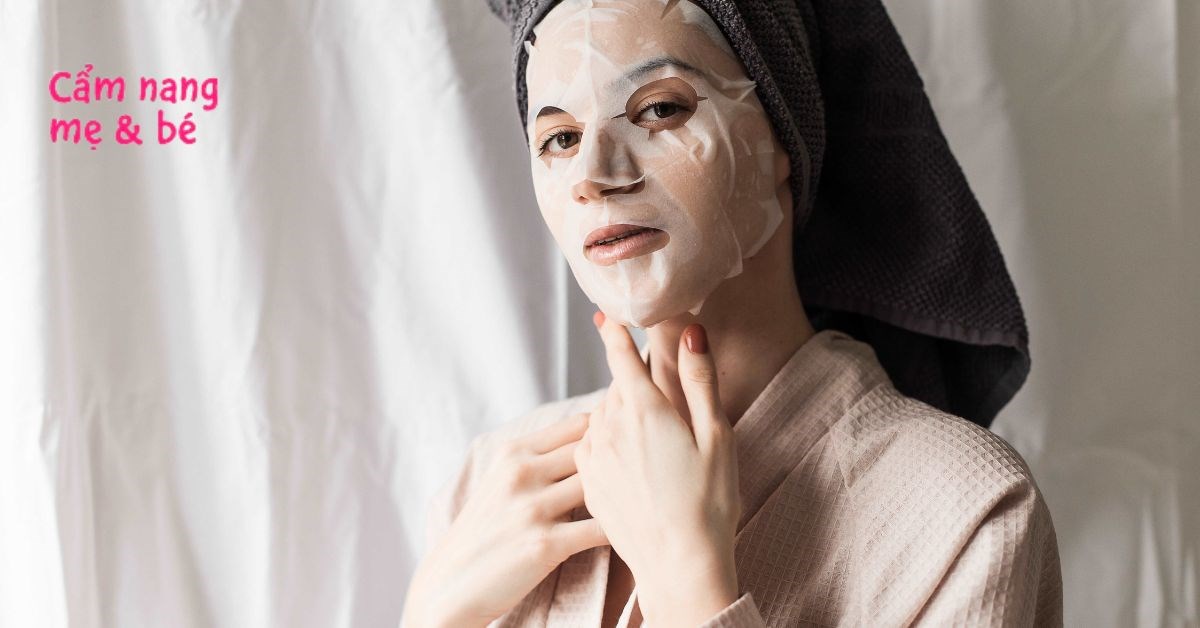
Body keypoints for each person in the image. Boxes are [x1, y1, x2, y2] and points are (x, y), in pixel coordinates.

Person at [402, 0, 1064, 626]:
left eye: (659, 109)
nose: (592, 174)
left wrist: (689, 582)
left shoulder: (968, 512)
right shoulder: (492, 485)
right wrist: (432, 614)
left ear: (783, 139)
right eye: (559, 138)